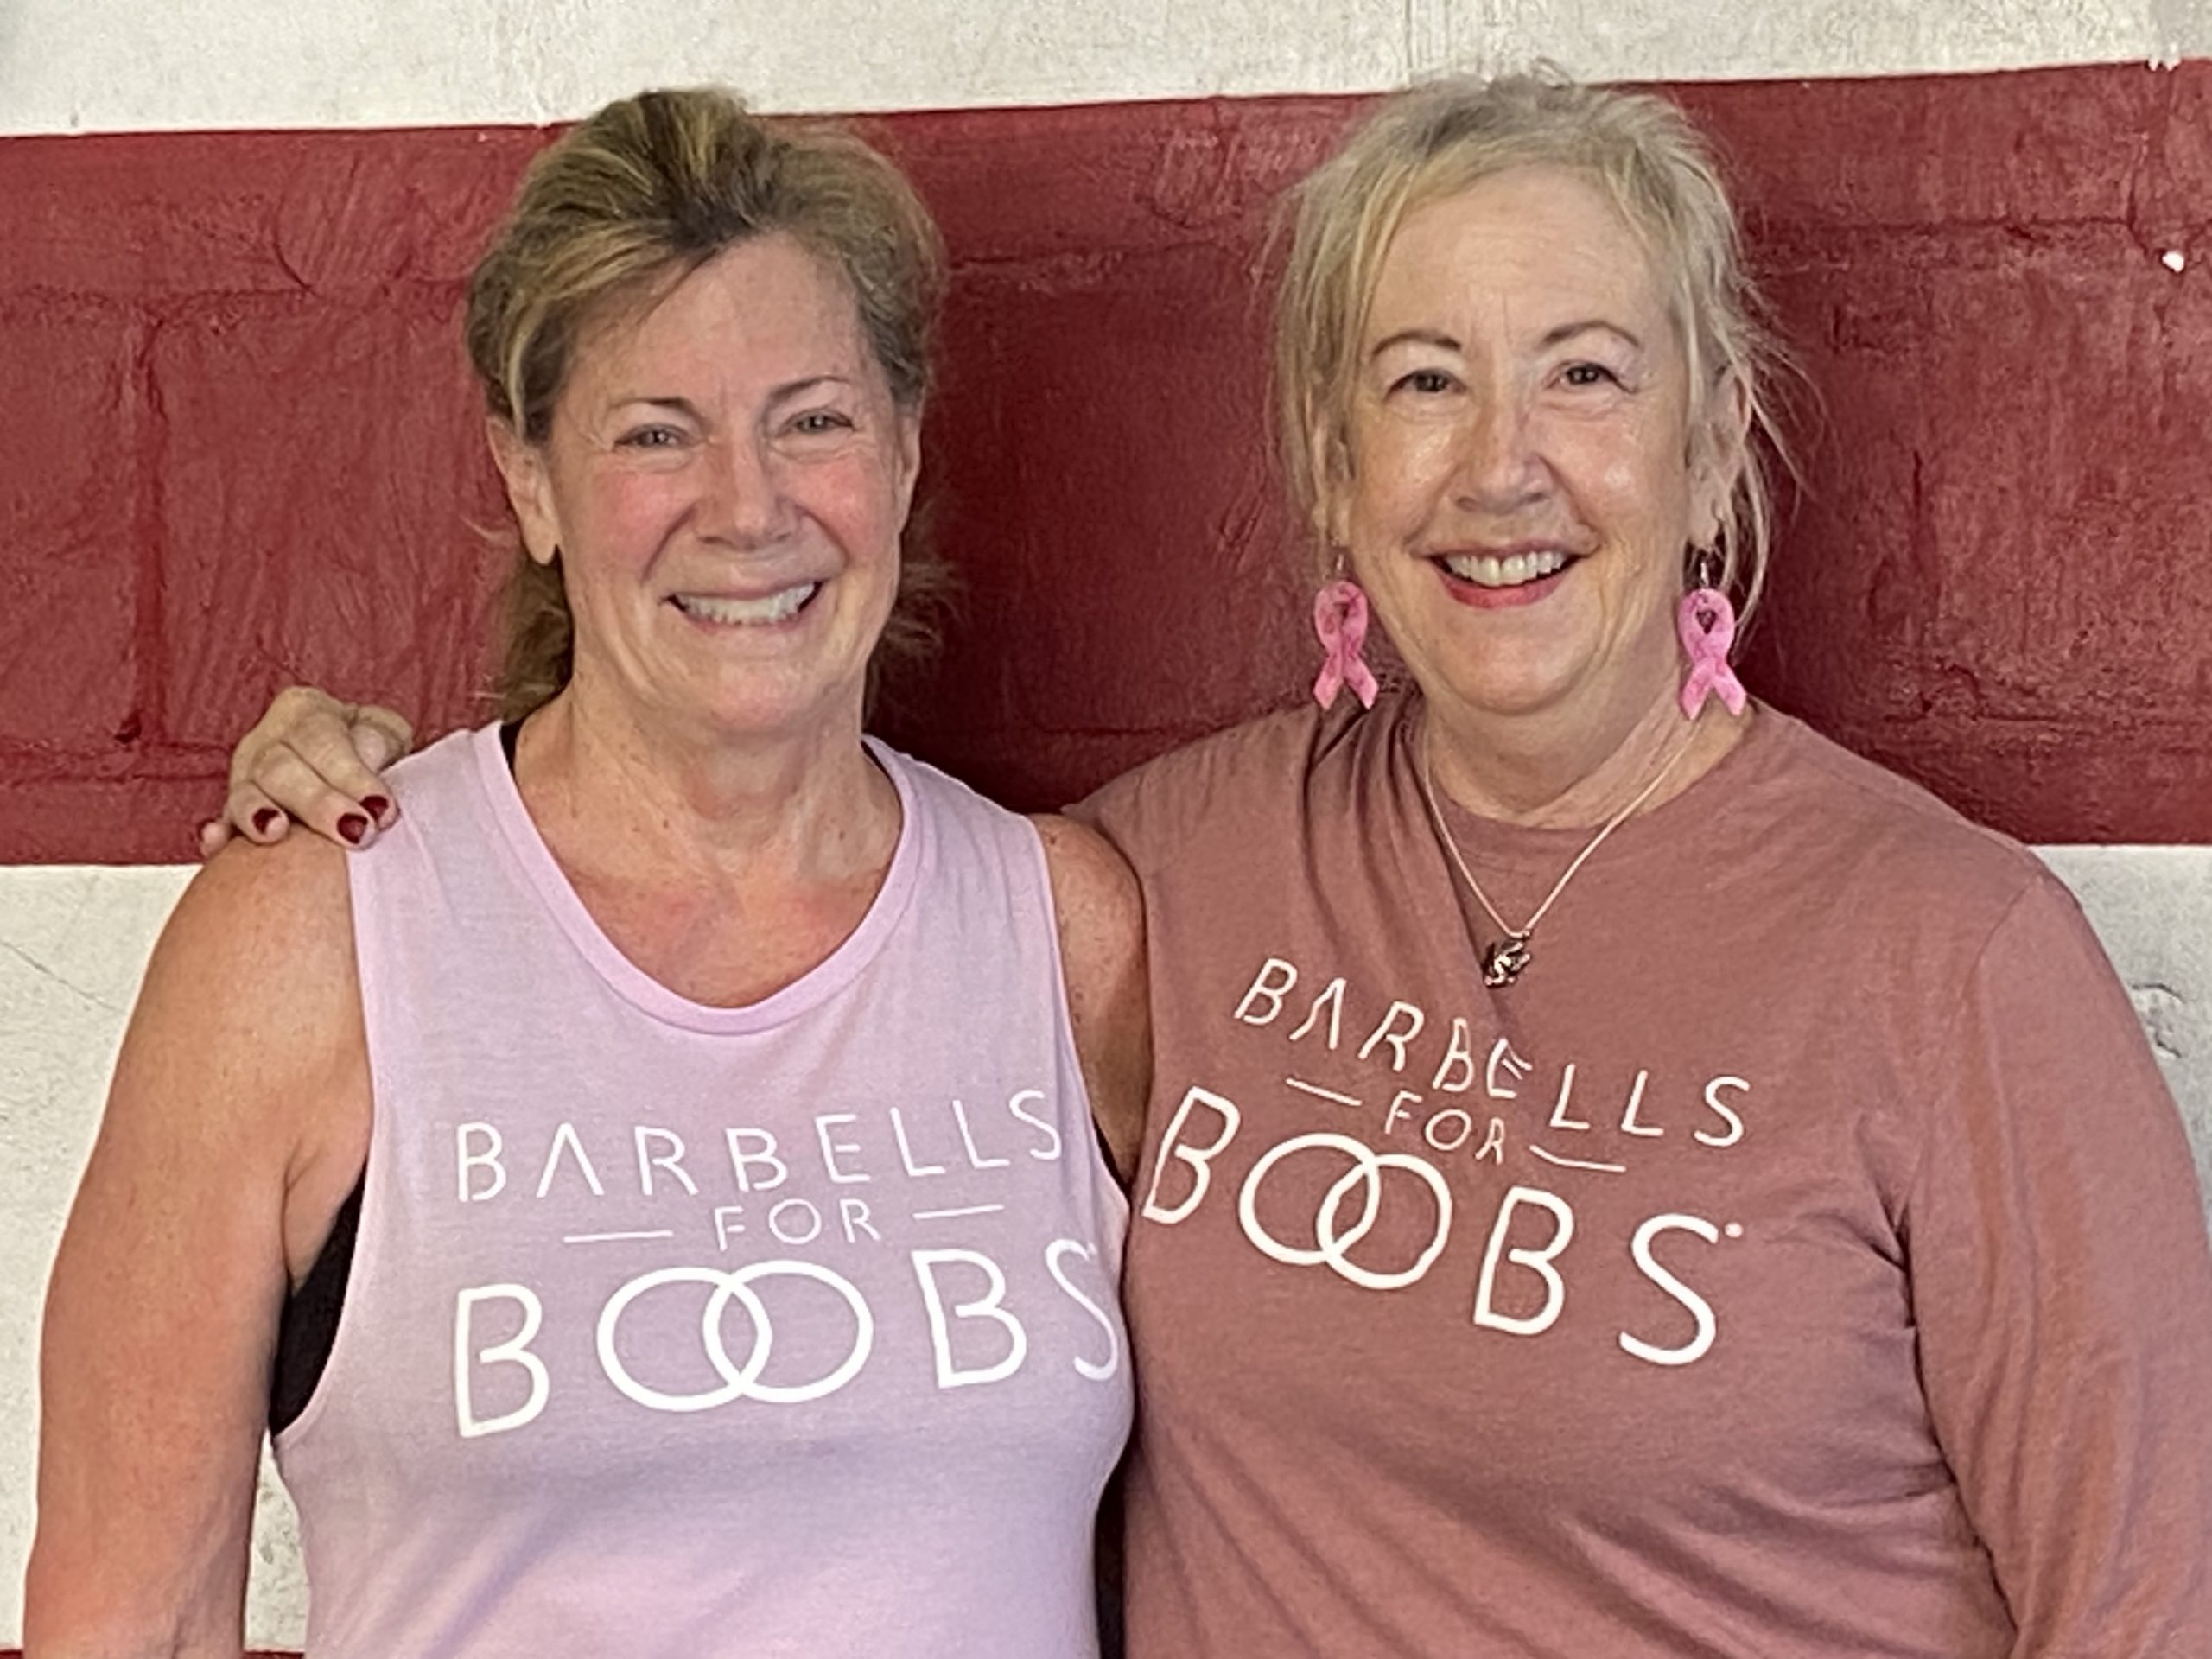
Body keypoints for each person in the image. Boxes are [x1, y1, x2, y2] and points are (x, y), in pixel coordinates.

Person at [190, 73, 2212, 1656]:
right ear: (1332, 465)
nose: (1499, 463)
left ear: (1709, 442)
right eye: (1421, 381)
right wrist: (374, 791)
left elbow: (2143, 1605)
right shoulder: (1162, 876)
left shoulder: (1951, 961)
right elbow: (749, 904)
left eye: (1585, 374)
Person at [29, 88, 1148, 1659]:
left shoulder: (1071, 935)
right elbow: (128, 1619)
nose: (748, 509)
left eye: (813, 420)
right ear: (532, 480)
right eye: (655, 434)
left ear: (903, 449)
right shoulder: (313, 938)